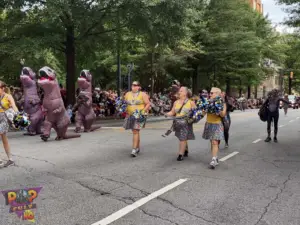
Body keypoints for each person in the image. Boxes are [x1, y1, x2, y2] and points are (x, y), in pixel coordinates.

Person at [166, 87, 196, 161]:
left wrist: (192, 117)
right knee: (182, 137)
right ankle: (185, 149)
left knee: (182, 138)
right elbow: (172, 112)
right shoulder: (176, 102)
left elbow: (196, 113)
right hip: (177, 123)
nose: (179, 92)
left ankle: (180, 154)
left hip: (186, 123)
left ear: (185, 93)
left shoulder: (191, 102)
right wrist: (166, 114)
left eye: (181, 91)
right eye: (179, 91)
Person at [123, 81, 150, 157]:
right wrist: (124, 109)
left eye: (135, 85)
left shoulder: (143, 94)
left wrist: (143, 111)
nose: (133, 86)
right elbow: (125, 103)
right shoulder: (128, 94)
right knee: (135, 131)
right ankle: (137, 148)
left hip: (140, 114)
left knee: (135, 131)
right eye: (132, 85)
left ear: (139, 87)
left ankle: (134, 149)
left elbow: (148, 103)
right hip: (131, 114)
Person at [202, 87, 227, 169]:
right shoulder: (207, 102)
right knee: (212, 142)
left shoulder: (222, 103)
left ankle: (213, 160)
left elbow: (223, 114)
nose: (210, 94)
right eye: (210, 93)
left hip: (217, 124)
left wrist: (218, 109)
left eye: (212, 93)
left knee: (214, 142)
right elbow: (203, 113)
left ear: (217, 94)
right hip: (209, 124)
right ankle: (215, 157)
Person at [0, 81, 19, 167]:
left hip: (4, 119)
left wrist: (18, 117)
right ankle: (10, 159)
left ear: (3, 88)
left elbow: (14, 107)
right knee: (4, 140)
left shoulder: (8, 96)